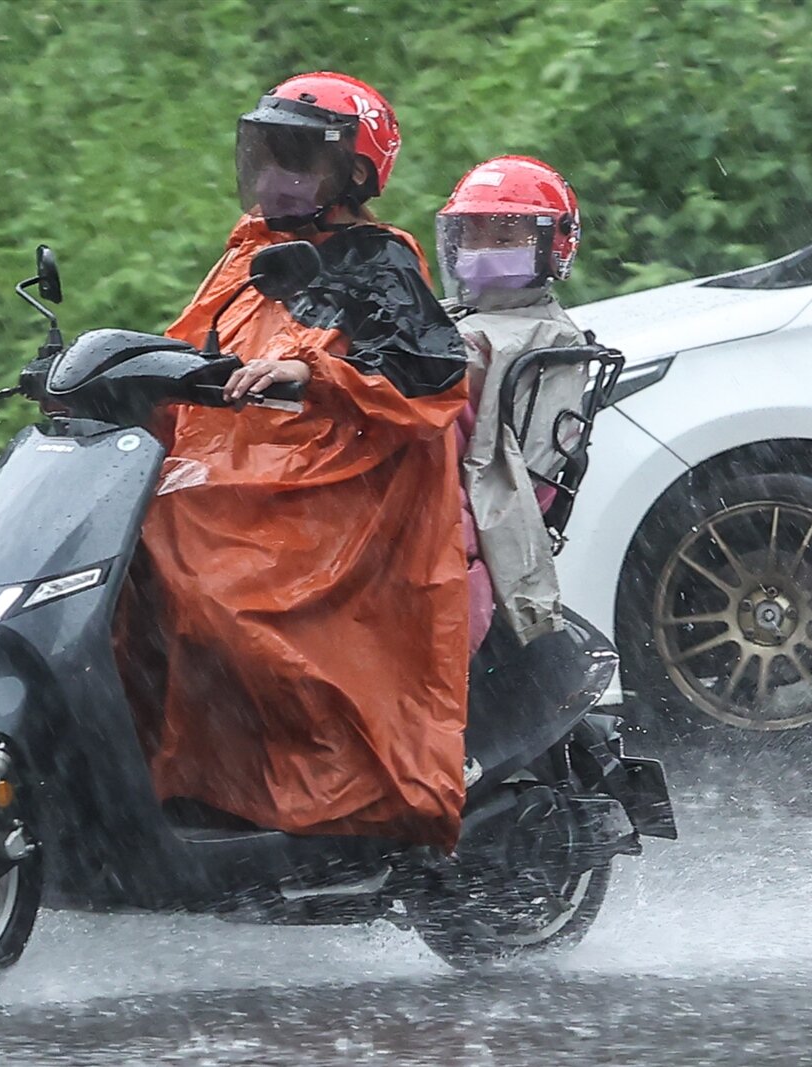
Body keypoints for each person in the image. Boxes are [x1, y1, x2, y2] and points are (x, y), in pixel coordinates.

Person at [116, 72, 472, 849]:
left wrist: (318, 376)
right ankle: (171, 778)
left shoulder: (376, 262)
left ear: (351, 174)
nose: (274, 179)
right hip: (245, 471)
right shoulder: (251, 253)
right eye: (266, 156)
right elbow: (189, 353)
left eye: (296, 160)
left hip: (340, 495)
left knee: (213, 575)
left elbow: (428, 376)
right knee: (127, 547)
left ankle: (318, 786)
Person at [437, 156, 590, 647]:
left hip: (465, 515)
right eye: (474, 236)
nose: (483, 250)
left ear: (553, 243)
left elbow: (522, 481)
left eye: (504, 239)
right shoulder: (458, 321)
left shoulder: (547, 343)